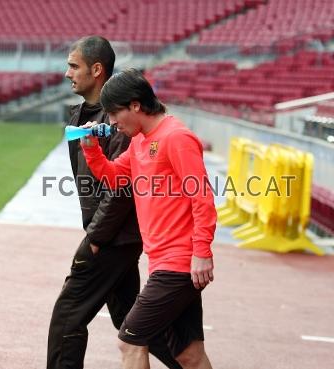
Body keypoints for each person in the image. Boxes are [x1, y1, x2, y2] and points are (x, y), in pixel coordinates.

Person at [47, 36, 181, 369]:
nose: (67, 73)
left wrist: (95, 239)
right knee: (130, 321)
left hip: (111, 237)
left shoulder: (120, 119)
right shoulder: (81, 113)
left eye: (73, 66)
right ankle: (190, 361)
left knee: (68, 316)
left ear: (96, 69)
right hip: (112, 235)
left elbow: (120, 189)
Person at [80, 68, 216, 369]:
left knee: (129, 341)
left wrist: (202, 251)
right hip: (162, 261)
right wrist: (92, 152)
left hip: (179, 264)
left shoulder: (176, 137)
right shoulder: (140, 140)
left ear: (136, 105)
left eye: (115, 114)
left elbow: (202, 196)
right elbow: (115, 179)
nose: (112, 123)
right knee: (188, 355)